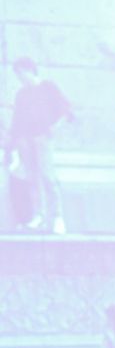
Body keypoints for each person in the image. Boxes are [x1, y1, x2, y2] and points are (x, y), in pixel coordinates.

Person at [7, 58, 74, 233]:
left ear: (29, 70)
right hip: (25, 141)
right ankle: (39, 215)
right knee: (32, 178)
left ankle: (58, 216)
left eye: (21, 73)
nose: (20, 78)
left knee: (47, 176)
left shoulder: (48, 87)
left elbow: (66, 111)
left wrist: (54, 128)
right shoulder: (21, 94)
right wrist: (12, 145)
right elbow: (16, 121)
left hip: (43, 138)